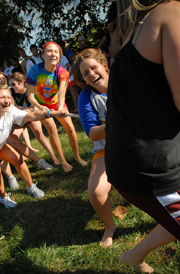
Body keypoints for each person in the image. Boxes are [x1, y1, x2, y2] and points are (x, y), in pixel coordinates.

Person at [105, 0, 180, 274]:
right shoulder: (172, 10)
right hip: (152, 171)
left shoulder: (133, 31)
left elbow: (149, 96)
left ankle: (135, 254)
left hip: (129, 164)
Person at [0, 85, 66, 207]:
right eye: (2, 97)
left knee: (18, 159)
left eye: (9, 97)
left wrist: (51, 113)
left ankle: (30, 187)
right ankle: (3, 196)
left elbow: (31, 116)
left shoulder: (11, 110)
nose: (7, 100)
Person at [73, 48, 115, 247]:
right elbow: (92, 133)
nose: (91, 74)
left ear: (105, 67)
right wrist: (114, 123)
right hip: (107, 150)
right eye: (85, 73)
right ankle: (109, 226)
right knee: (96, 192)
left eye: (94, 68)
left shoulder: (125, 82)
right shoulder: (86, 97)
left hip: (137, 145)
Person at [26, 41, 88, 172]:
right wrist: (41, 107)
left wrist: (60, 109)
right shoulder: (35, 70)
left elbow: (61, 94)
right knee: (52, 129)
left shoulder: (62, 71)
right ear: (43, 54)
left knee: (71, 128)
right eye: (49, 51)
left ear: (59, 55)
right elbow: (30, 96)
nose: (53, 54)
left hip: (56, 103)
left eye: (56, 52)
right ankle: (63, 161)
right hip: (40, 103)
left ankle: (77, 157)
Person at [9, 72, 60, 167]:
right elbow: (12, 108)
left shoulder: (30, 91)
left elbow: (33, 109)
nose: (12, 87)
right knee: (12, 137)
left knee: (38, 133)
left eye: (13, 84)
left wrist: (20, 108)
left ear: (21, 82)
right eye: (10, 84)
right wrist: (23, 108)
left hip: (31, 115)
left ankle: (54, 158)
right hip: (19, 117)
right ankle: (20, 160)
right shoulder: (11, 93)